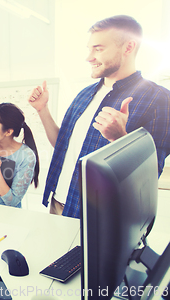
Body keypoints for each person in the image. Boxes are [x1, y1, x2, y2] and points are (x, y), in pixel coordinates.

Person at [28, 15, 170, 218]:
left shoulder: (159, 100)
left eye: (99, 49)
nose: (89, 57)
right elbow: (61, 145)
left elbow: (148, 176)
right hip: (58, 205)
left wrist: (120, 138)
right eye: (89, 49)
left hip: (99, 218)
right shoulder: (84, 94)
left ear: (128, 47)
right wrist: (42, 110)